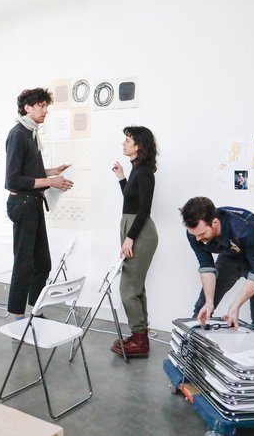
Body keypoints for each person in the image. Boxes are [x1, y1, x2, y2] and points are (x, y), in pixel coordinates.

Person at [5, 88, 72, 318]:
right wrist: (50, 181)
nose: (45, 111)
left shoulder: (31, 134)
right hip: (22, 205)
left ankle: (36, 309)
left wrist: (53, 172)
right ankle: (17, 316)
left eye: (46, 106)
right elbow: (13, 180)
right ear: (27, 108)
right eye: (41, 106)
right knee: (24, 263)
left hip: (33, 203)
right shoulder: (18, 135)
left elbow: (29, 172)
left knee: (43, 263)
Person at [180, 197, 254, 334]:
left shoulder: (244, 229)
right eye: (194, 235)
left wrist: (235, 305)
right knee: (202, 309)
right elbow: (206, 266)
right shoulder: (194, 233)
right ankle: (190, 353)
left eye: (202, 234)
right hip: (229, 257)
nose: (198, 239)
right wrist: (209, 302)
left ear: (215, 223)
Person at [110, 126, 159, 357]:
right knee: (136, 287)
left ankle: (140, 340)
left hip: (139, 232)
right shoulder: (137, 169)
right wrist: (121, 178)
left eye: (128, 140)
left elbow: (144, 210)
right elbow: (131, 201)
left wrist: (130, 238)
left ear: (138, 145)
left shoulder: (145, 172)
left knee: (128, 287)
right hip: (132, 228)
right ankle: (140, 337)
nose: (124, 143)